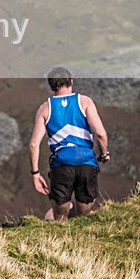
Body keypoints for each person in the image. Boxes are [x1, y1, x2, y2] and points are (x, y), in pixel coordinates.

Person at [29, 66, 110, 221]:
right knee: (84, 218)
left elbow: (34, 145)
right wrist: (104, 154)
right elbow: (101, 134)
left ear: (51, 86)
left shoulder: (45, 108)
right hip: (86, 163)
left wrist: (35, 173)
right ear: (71, 81)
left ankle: (62, 244)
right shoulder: (85, 102)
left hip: (61, 166)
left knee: (59, 218)